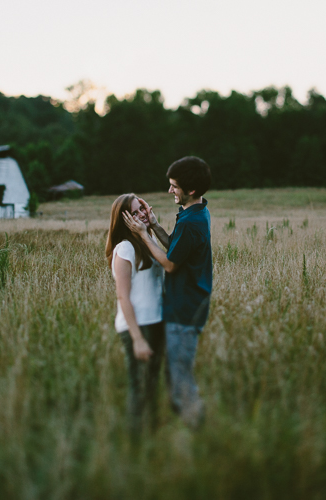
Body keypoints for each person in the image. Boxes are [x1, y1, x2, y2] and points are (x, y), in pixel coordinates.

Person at [123, 156, 212, 429]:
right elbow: (176, 246)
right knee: (175, 376)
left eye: (174, 186)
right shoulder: (196, 212)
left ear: (191, 190)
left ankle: (198, 433)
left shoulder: (191, 222)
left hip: (184, 311)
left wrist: (143, 234)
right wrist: (155, 225)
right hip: (185, 307)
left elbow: (171, 264)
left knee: (180, 382)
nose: (170, 191)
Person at [105, 194, 165, 436]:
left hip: (156, 323)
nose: (141, 213)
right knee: (138, 387)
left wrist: (153, 224)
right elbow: (123, 296)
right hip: (137, 327)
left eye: (142, 208)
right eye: (135, 211)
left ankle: (151, 439)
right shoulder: (125, 248)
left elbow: (173, 259)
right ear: (125, 219)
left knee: (151, 386)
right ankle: (135, 441)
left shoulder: (147, 240)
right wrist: (138, 338)